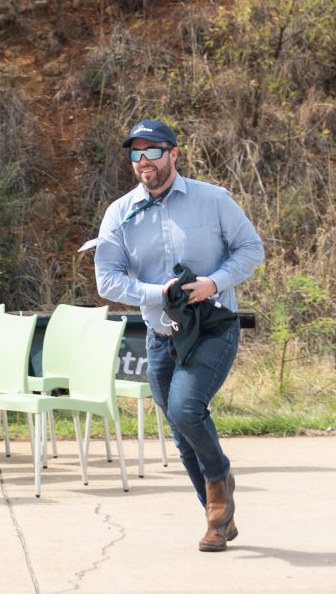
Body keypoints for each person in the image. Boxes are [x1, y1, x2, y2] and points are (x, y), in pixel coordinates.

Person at [93, 118, 264, 554]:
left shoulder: (213, 199)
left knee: (188, 410)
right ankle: (218, 518)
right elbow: (107, 281)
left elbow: (251, 249)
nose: (143, 161)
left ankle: (218, 494)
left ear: (173, 153)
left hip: (212, 324)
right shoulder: (120, 212)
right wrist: (157, 292)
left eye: (152, 151)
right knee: (179, 429)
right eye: (135, 153)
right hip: (161, 331)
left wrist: (215, 281)